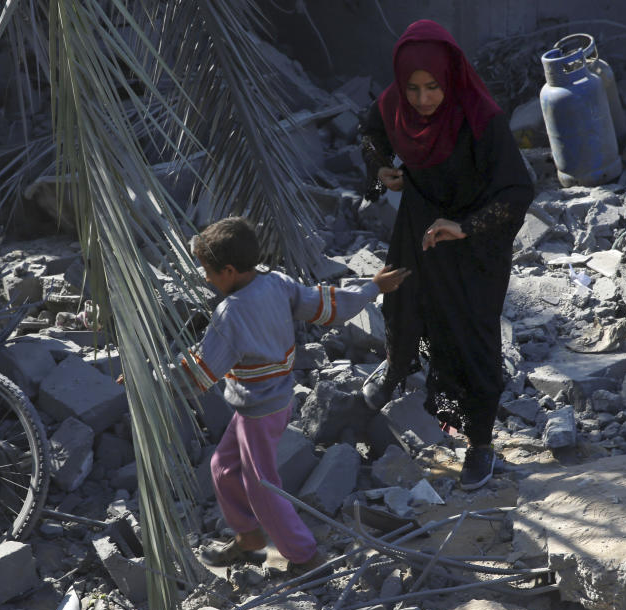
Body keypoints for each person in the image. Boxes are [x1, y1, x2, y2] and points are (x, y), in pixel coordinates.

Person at [359, 19, 534, 490]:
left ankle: (478, 443)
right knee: (402, 300)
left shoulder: (481, 118)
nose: (422, 99)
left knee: (471, 340)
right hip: (418, 224)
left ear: (450, 78)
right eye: (412, 88)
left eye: (432, 87)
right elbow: (371, 131)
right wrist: (381, 169)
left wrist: (466, 227)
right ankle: (398, 365)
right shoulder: (395, 105)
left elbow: (519, 190)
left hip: (473, 243)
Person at [177, 216, 409, 570]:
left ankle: (305, 556)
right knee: (222, 467)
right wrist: (371, 288)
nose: (205, 278)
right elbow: (327, 306)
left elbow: (201, 370)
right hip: (270, 403)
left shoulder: (231, 313)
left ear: (228, 270)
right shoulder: (277, 283)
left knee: (262, 487)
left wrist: (149, 380)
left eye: (208, 270)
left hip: (259, 410)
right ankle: (249, 537)